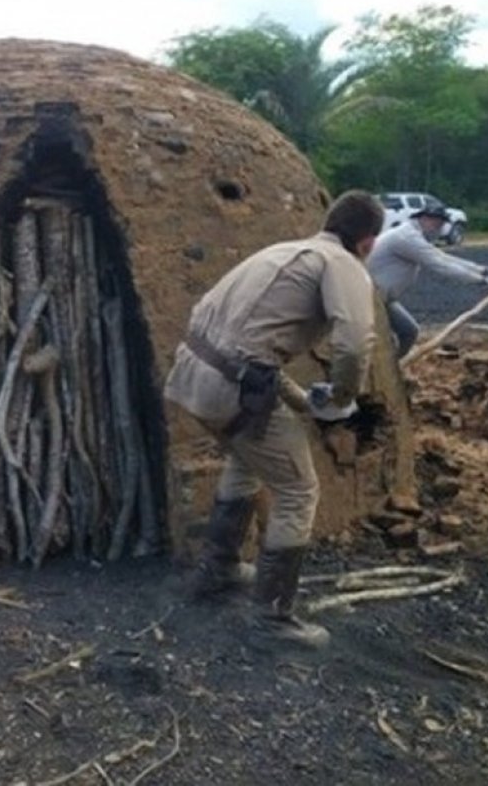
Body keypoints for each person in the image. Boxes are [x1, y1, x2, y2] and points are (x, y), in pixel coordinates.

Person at [163, 190, 383, 649]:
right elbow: (355, 343)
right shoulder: (343, 265)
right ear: (367, 242)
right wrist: (343, 396)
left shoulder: (283, 251)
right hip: (232, 389)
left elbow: (245, 345)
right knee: (298, 489)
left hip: (193, 375)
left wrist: (302, 400)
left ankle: (217, 569)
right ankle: (271, 617)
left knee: (248, 460)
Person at [368, 199, 488, 358]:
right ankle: (386, 371)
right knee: (393, 337)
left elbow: (446, 258)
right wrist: (483, 281)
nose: (438, 229)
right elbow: (442, 266)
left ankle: (394, 368)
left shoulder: (415, 236)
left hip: (384, 298)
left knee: (409, 332)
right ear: (425, 219)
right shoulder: (407, 238)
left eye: (440, 225)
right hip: (370, 298)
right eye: (436, 224)